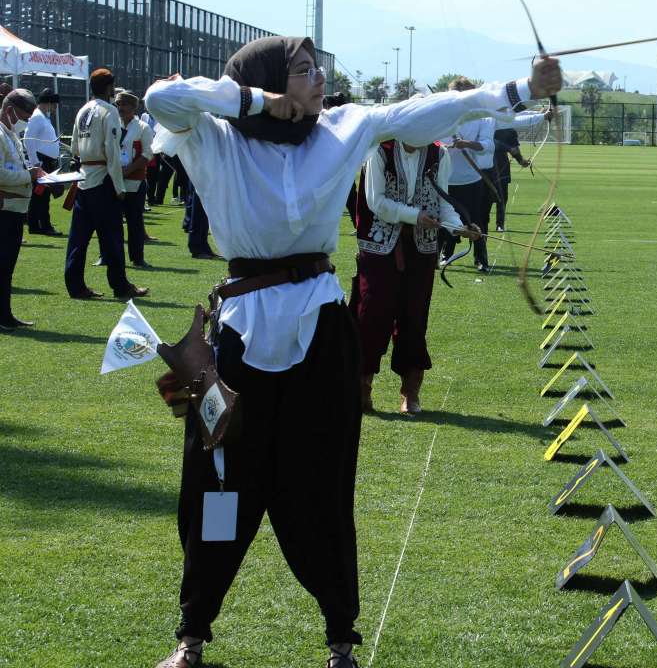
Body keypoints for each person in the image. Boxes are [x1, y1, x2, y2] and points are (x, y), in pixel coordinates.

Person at [144, 35, 560, 668]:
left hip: (319, 332)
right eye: (303, 72)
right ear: (269, 83)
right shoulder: (213, 135)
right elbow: (160, 96)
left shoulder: (343, 126)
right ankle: (192, 634)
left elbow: (424, 113)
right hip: (238, 334)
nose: (317, 82)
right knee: (217, 482)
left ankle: (341, 638)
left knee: (322, 483)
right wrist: (257, 99)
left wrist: (523, 92)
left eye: (317, 70)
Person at [354, 136, 478, 414]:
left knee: (414, 316)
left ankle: (410, 391)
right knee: (372, 314)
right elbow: (376, 202)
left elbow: (442, 203)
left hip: (421, 249)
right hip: (380, 246)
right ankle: (362, 386)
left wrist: (458, 227)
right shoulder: (380, 150)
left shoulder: (439, 154)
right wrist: (414, 215)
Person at [440, 78, 551, 271]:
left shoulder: (484, 116)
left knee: (479, 218)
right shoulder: (443, 116)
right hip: (446, 177)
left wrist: (541, 117)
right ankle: (445, 254)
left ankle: (481, 259)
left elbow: (511, 122)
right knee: (447, 217)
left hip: (478, 176)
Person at [63, 68, 149, 301]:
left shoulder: (83, 110)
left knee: (78, 237)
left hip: (84, 178)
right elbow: (112, 150)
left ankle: (75, 285)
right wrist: (119, 187)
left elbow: (74, 148)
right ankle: (120, 286)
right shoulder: (108, 111)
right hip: (103, 179)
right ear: (109, 87)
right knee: (112, 236)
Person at [0, 90, 43, 329]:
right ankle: (3, 317)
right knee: (3, 266)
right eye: (23, 117)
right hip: (5, 209)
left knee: (7, 267)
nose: (25, 123)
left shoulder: (11, 136)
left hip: (15, 208)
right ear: (9, 111)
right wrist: (28, 175)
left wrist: (33, 173)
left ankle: (5, 314)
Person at [114, 90, 152, 267]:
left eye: (124, 104)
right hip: (115, 180)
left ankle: (137, 258)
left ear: (133, 107)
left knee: (134, 222)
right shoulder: (113, 124)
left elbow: (147, 154)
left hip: (134, 181)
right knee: (112, 222)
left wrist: (128, 170)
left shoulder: (143, 128)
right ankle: (108, 256)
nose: (121, 108)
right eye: (118, 104)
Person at [22, 88, 62, 235]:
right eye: (54, 104)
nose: (55, 108)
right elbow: (28, 139)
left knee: (40, 195)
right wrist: (36, 162)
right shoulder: (38, 117)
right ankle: (43, 225)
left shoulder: (43, 117)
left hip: (45, 160)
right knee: (41, 195)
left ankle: (35, 224)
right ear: (48, 103)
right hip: (41, 160)